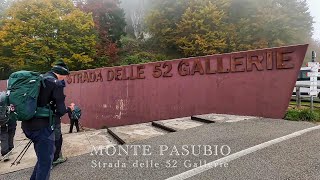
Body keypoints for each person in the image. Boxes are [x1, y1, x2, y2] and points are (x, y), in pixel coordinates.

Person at [21, 60, 69, 180]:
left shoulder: (39, 80)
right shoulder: (56, 83)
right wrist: (69, 109)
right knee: (46, 162)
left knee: (43, 159)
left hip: (27, 125)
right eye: (65, 76)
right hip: (43, 128)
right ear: (62, 74)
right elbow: (61, 110)